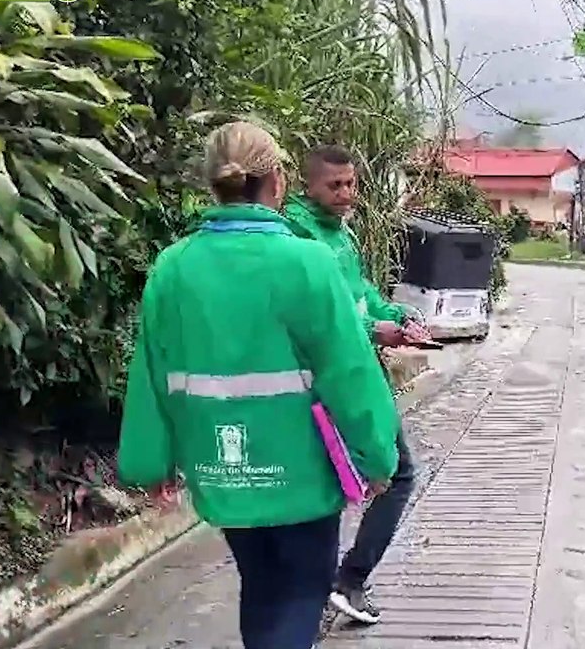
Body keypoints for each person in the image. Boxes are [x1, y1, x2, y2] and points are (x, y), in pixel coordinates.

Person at [117, 122, 400, 649]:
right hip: (302, 476)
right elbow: (349, 373)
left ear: (212, 184)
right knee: (301, 595)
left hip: (223, 472)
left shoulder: (173, 267)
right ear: (278, 181)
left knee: (262, 590)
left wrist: (149, 464)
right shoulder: (307, 262)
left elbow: (152, 373)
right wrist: (378, 455)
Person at [283, 145, 428, 626]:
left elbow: (360, 294)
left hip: (359, 372)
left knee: (369, 476)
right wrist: (372, 331)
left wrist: (397, 316)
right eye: (335, 185)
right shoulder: (299, 239)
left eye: (351, 184)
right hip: (333, 379)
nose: (346, 194)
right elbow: (319, 318)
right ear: (307, 186)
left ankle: (325, 584)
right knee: (395, 473)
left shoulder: (340, 232)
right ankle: (344, 581)